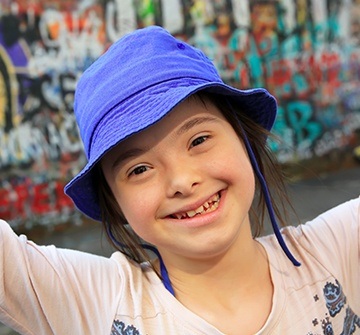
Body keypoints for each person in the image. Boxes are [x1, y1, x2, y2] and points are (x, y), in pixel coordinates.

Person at [0, 25, 359, 335]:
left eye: (199, 140)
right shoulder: (99, 304)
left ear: (244, 139)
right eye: (139, 169)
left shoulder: (337, 252)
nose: (183, 181)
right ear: (114, 201)